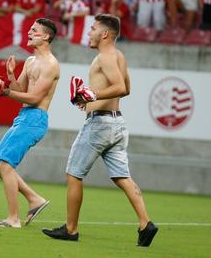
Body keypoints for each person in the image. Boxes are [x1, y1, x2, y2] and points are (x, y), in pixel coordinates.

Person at [42, 14, 157, 247]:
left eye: (92, 28)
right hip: (117, 123)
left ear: (105, 34)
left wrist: (92, 95)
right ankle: (146, 224)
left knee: (74, 174)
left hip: (100, 125)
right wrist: (90, 100)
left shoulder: (104, 57)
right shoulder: (118, 56)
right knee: (122, 177)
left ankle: (71, 230)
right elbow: (126, 90)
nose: (89, 32)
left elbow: (120, 87)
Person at [0, 18, 60, 228]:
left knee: (6, 164)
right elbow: (22, 91)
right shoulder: (30, 61)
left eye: (34, 30)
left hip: (35, 118)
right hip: (24, 116)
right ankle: (34, 199)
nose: (29, 32)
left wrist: (6, 92)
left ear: (46, 36)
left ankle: (13, 218)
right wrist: (10, 76)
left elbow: (35, 98)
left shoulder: (51, 65)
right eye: (29, 29)